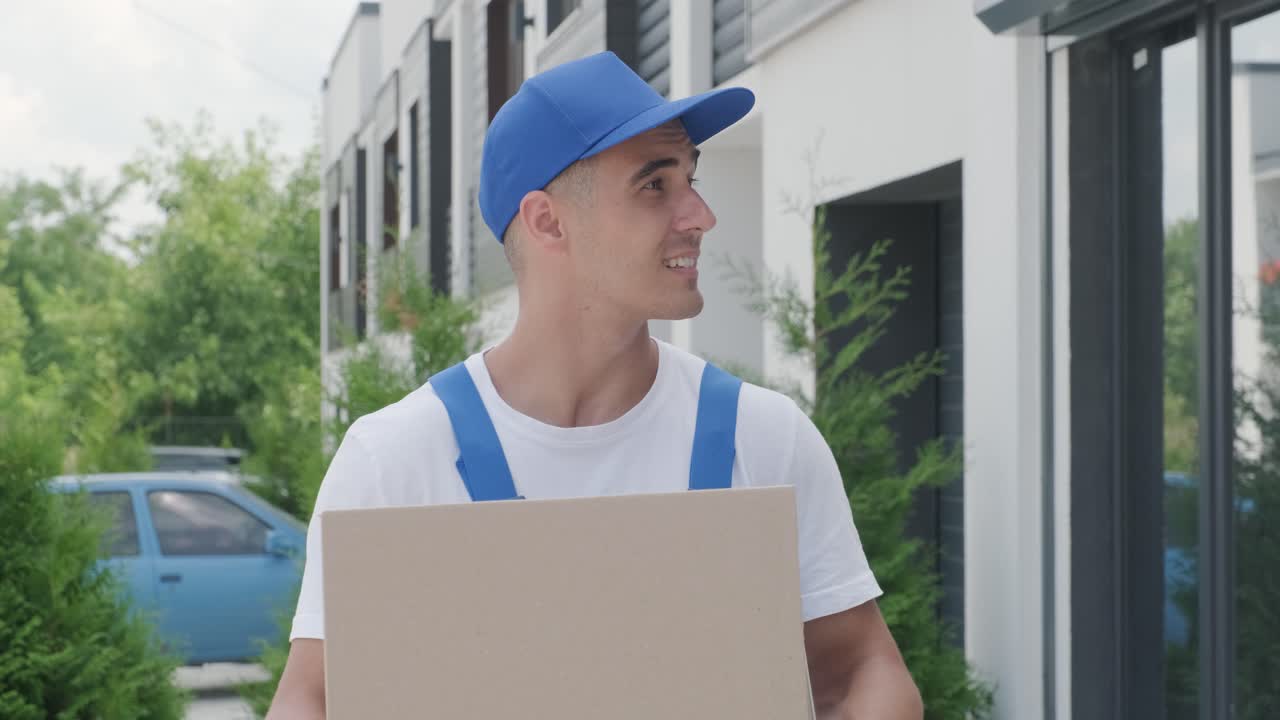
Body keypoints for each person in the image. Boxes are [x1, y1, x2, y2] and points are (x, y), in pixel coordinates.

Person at [267, 51, 922, 719]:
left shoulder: (762, 438)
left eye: (691, 180)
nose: (700, 215)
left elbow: (863, 671)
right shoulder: (395, 459)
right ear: (548, 221)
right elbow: (313, 699)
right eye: (654, 186)